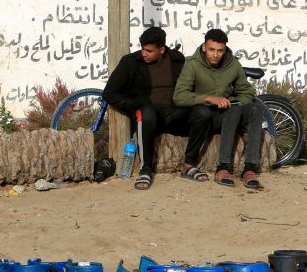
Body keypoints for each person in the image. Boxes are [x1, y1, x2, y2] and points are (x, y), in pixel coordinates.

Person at [172, 29, 264, 189]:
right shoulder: (192, 64)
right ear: (204, 47)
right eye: (211, 50)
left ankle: (250, 168)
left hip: (230, 111)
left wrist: (235, 101)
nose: (215, 54)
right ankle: (223, 167)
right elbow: (179, 96)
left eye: (220, 50)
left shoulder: (233, 64)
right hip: (207, 117)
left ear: (225, 49)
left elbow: (247, 91)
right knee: (233, 111)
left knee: (255, 109)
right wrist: (208, 98)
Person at [102, 27, 189, 190]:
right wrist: (133, 105)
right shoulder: (130, 62)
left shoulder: (177, 60)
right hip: (148, 115)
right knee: (146, 113)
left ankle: (191, 165)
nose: (144, 53)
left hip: (174, 113)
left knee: (201, 113)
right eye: (142, 49)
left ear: (161, 49)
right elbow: (109, 93)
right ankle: (145, 169)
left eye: (149, 50)